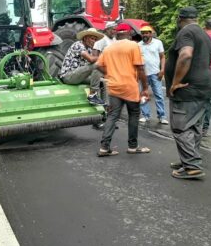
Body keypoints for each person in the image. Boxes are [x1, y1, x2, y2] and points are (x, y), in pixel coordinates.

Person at [165, 7, 211, 180]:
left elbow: (186, 55)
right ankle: (187, 160)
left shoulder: (186, 32)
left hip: (188, 89)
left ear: (180, 19)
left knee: (181, 127)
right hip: (205, 87)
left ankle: (192, 166)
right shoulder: (205, 35)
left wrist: (176, 81)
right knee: (194, 126)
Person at [96, 24, 150, 157]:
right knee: (133, 115)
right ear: (129, 32)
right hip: (129, 87)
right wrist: (145, 88)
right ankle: (133, 146)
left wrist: (109, 73)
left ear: (116, 34)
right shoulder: (133, 46)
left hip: (114, 87)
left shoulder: (108, 48)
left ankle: (104, 147)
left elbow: (97, 65)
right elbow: (140, 68)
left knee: (112, 116)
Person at [59, 28, 105, 105]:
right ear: (85, 38)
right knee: (97, 65)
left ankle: (105, 106)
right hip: (68, 76)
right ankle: (92, 95)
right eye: (92, 38)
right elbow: (91, 60)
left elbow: (91, 68)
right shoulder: (78, 45)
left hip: (79, 76)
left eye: (95, 39)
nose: (94, 41)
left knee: (103, 82)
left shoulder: (89, 50)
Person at [138, 25, 168, 124]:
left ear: (151, 33)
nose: (144, 35)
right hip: (143, 75)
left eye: (146, 33)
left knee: (159, 95)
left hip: (155, 73)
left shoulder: (158, 43)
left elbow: (162, 57)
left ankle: (162, 116)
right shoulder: (138, 45)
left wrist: (162, 70)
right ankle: (145, 115)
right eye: (143, 33)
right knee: (143, 95)